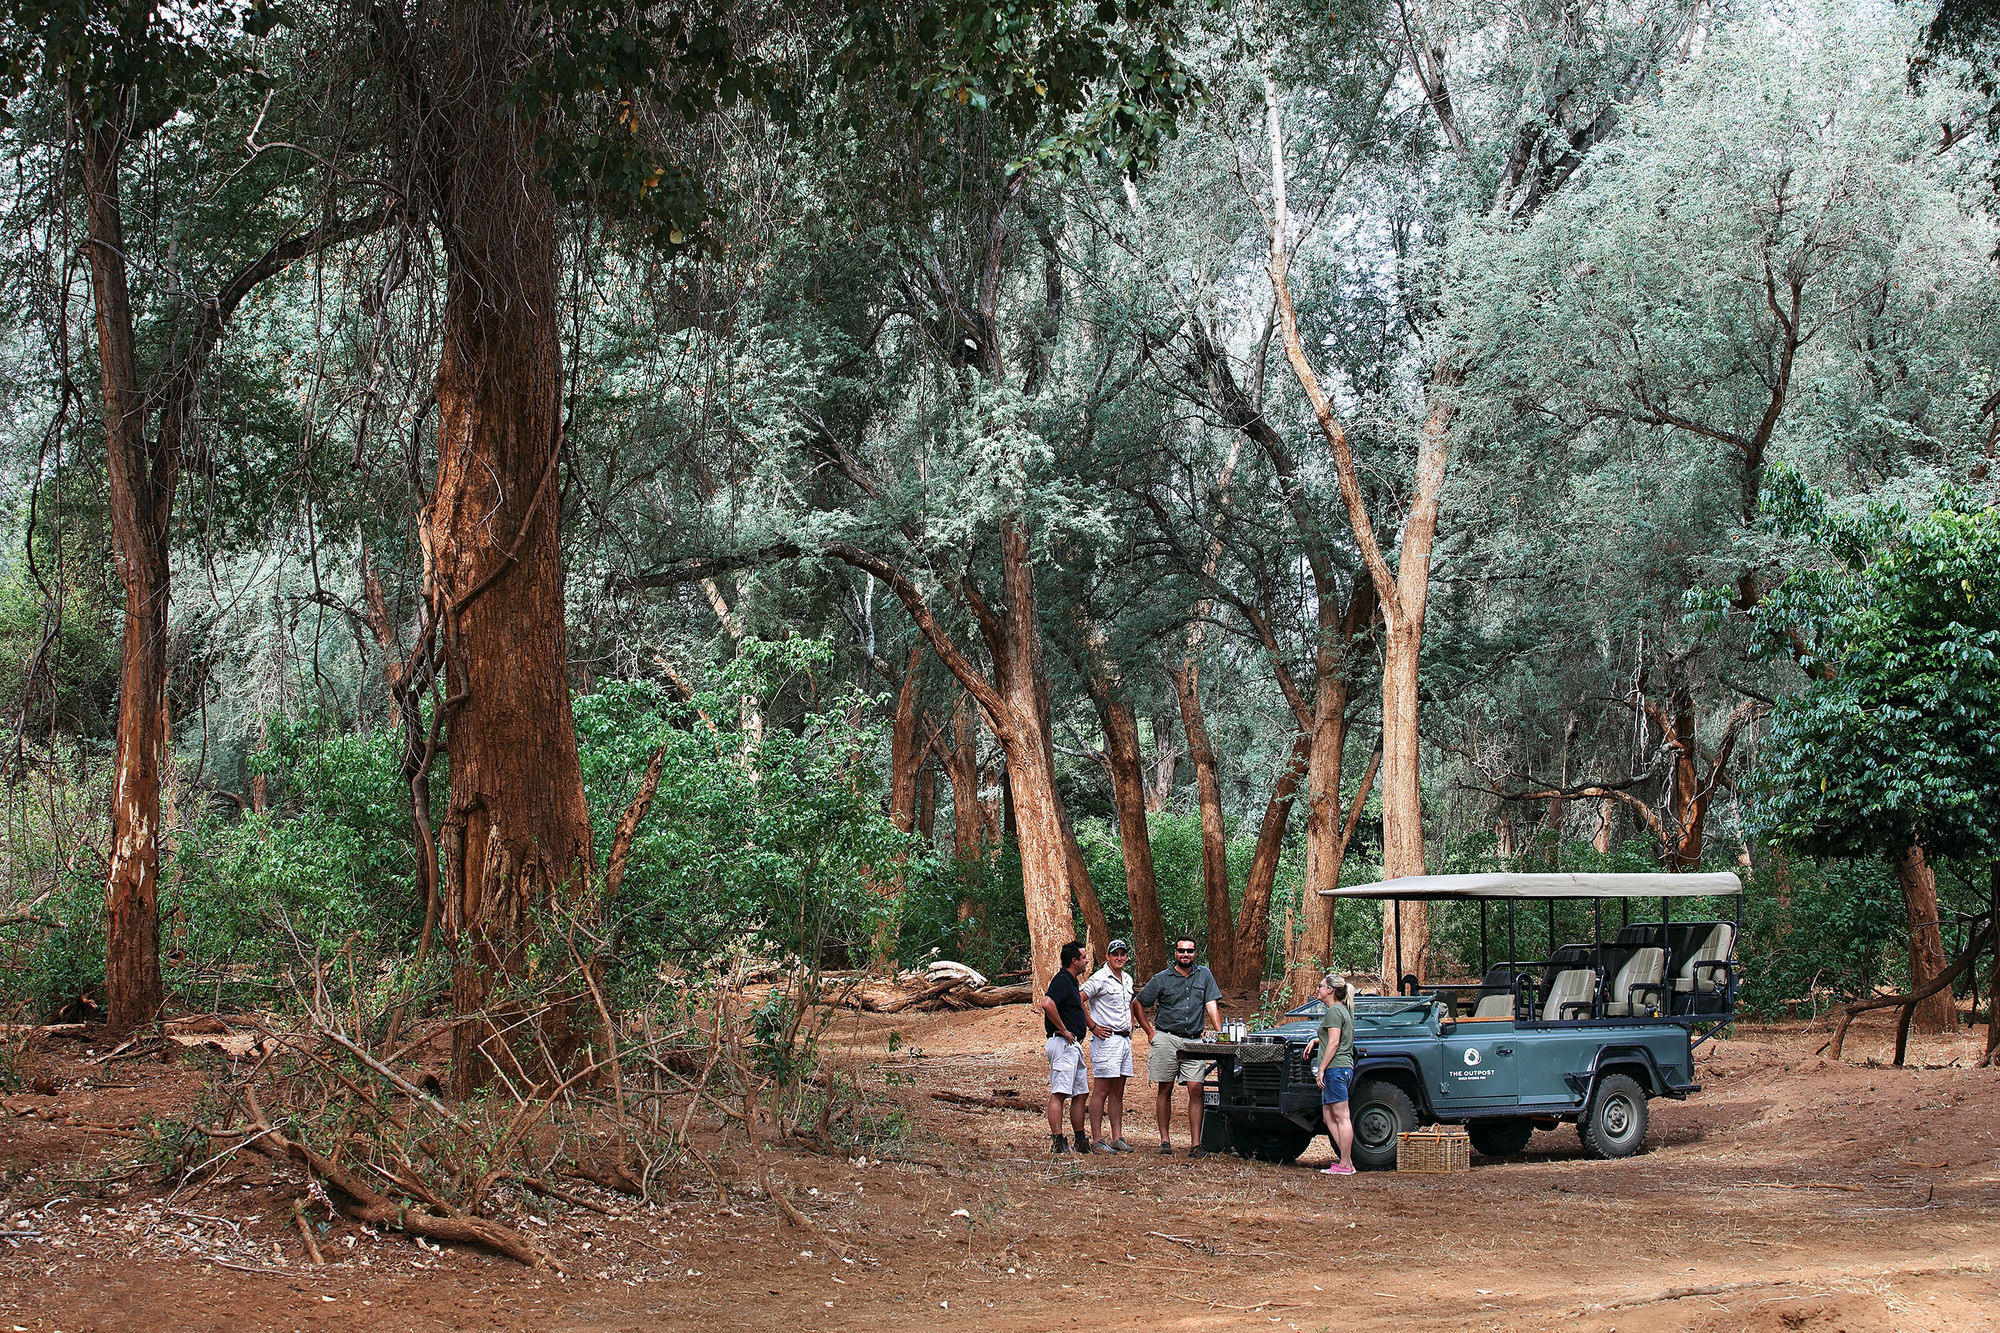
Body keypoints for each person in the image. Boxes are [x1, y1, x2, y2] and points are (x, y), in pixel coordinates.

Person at [1134, 935, 1223, 1155]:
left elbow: (1211, 1006)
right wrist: (1150, 1033)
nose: (1186, 955)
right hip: (1166, 1038)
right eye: (1181, 951)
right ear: (1175, 953)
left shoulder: (1204, 975)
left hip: (1193, 1039)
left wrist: (1222, 1035)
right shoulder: (1162, 978)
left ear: (1195, 953)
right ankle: (1165, 1140)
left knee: (1196, 1088)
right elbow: (1138, 1003)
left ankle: (1195, 1144)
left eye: (1190, 951)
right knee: (1165, 1088)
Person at [1080, 939, 1137, 1153]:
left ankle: (1117, 1137)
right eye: (1115, 955)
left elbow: (1130, 1001)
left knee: (1118, 1091)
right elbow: (1080, 997)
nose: (1119, 958)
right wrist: (1092, 1026)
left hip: (1123, 1040)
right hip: (1106, 1040)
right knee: (1101, 1089)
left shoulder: (1128, 979)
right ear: (1107, 957)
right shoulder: (1100, 978)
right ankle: (1097, 1139)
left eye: (1123, 954)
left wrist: (1131, 1021)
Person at [1039, 940, 1092, 1155]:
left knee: (1081, 1093)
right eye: (1084, 957)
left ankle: (1080, 1139)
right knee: (1060, 1093)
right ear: (1074, 961)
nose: (1087, 960)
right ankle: (1058, 1140)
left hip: (1073, 1046)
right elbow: (1046, 1003)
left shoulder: (1072, 981)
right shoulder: (1062, 979)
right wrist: (1062, 1029)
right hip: (1063, 1044)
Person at [1304, 972, 1355, 1175]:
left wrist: (1321, 1069)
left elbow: (1334, 1042)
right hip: (1342, 1067)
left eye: (1321, 986)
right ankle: (1346, 1160)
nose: (1318, 989)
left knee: (1342, 1116)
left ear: (1330, 990)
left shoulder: (1334, 1011)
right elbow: (1334, 1037)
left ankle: (1345, 1164)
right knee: (1328, 1116)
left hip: (1336, 1068)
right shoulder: (1343, 1011)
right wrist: (1316, 1040)